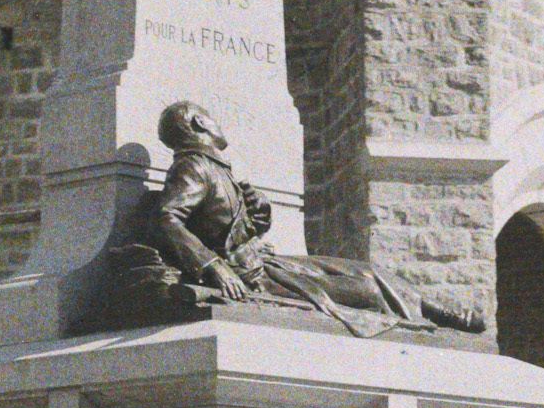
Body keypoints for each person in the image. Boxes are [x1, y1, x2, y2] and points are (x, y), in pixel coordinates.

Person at [146, 100, 485, 338]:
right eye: (210, 117)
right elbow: (168, 217)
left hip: (266, 263)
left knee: (367, 270)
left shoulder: (215, 168)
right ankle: (429, 319)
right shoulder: (193, 166)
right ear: (200, 123)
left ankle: (438, 312)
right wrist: (212, 266)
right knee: (367, 292)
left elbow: (233, 230)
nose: (216, 122)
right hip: (252, 275)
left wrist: (258, 211)